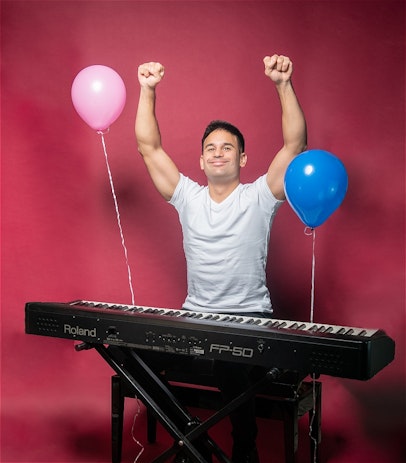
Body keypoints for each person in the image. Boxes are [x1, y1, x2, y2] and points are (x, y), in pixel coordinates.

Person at [135, 54, 307, 463]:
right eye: (210, 148)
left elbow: (295, 145)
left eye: (227, 148)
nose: (217, 154)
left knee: (230, 364)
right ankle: (194, 440)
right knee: (132, 355)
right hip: (195, 320)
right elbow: (148, 146)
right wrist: (147, 89)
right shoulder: (187, 197)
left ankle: (242, 450)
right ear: (200, 160)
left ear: (242, 159)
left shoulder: (261, 197)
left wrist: (283, 84)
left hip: (249, 323)